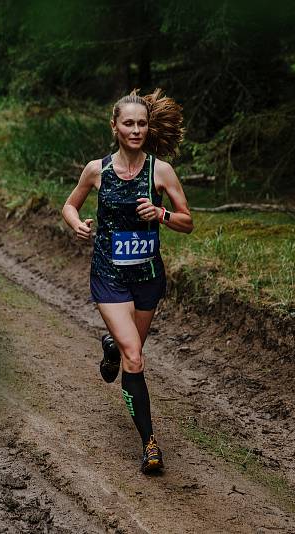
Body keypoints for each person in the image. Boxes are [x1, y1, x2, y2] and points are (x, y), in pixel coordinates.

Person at [61, 89, 194, 474]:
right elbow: (70, 204)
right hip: (110, 276)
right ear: (115, 127)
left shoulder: (161, 171)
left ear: (148, 128)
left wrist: (162, 214)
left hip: (148, 279)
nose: (136, 130)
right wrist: (78, 225)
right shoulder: (96, 170)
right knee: (136, 357)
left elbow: (188, 222)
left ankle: (111, 347)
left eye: (142, 123)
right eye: (128, 123)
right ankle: (150, 444)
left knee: (127, 350)